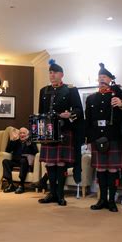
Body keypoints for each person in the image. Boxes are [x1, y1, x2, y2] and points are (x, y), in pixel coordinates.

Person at [37, 59, 83, 206]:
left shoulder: (70, 89)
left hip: (64, 129)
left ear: (61, 74)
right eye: (50, 73)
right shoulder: (43, 90)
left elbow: (78, 110)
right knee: (50, 163)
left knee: (61, 163)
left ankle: (60, 194)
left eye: (55, 72)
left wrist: (69, 114)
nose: (52, 75)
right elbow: (41, 112)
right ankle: (52, 193)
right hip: (48, 130)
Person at [86, 63, 122, 213]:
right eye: (99, 77)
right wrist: (90, 141)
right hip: (97, 138)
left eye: (104, 77)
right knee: (101, 169)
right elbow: (89, 121)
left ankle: (112, 200)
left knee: (112, 170)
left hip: (114, 137)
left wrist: (121, 102)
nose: (101, 79)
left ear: (110, 79)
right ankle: (101, 199)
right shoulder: (91, 98)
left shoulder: (118, 94)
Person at [2, 127, 38, 194]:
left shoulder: (31, 142)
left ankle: (21, 185)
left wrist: (29, 145)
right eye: (20, 133)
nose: (22, 134)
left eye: (23, 133)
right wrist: (12, 141)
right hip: (16, 161)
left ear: (27, 134)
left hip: (25, 162)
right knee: (5, 161)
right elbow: (7, 150)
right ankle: (10, 184)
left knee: (23, 160)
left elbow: (36, 152)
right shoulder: (16, 141)